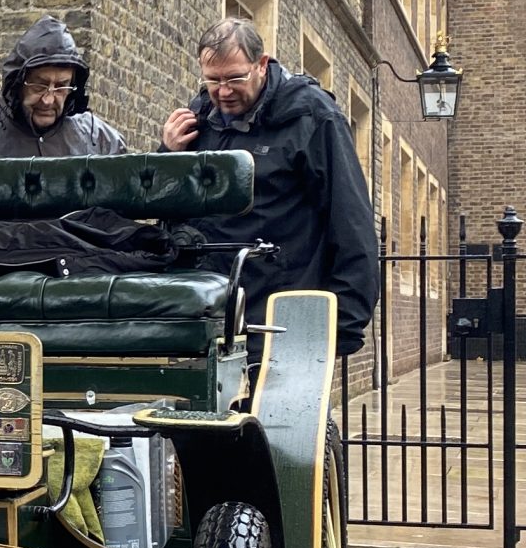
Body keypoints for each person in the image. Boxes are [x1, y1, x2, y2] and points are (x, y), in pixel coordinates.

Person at [161, 18, 378, 355]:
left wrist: (344, 322)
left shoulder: (313, 117)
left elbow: (350, 219)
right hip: (209, 313)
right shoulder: (198, 116)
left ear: (262, 65)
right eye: (213, 80)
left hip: (281, 315)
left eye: (235, 78)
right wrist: (169, 154)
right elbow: (167, 208)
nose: (223, 91)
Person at [0, 15, 129, 160]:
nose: (48, 99)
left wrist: (164, 151)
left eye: (61, 87)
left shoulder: (98, 138)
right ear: (17, 84)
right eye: (39, 85)